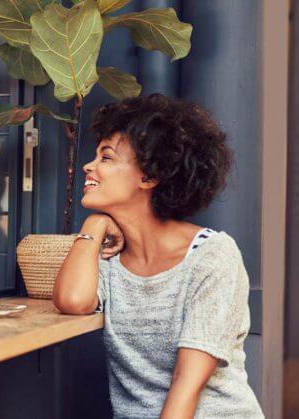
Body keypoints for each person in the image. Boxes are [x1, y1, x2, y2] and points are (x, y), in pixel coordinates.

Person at [53, 95, 263, 418]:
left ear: (149, 177)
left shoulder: (212, 257)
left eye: (105, 158)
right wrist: (94, 225)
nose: (89, 166)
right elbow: (71, 300)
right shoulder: (108, 258)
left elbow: (186, 385)